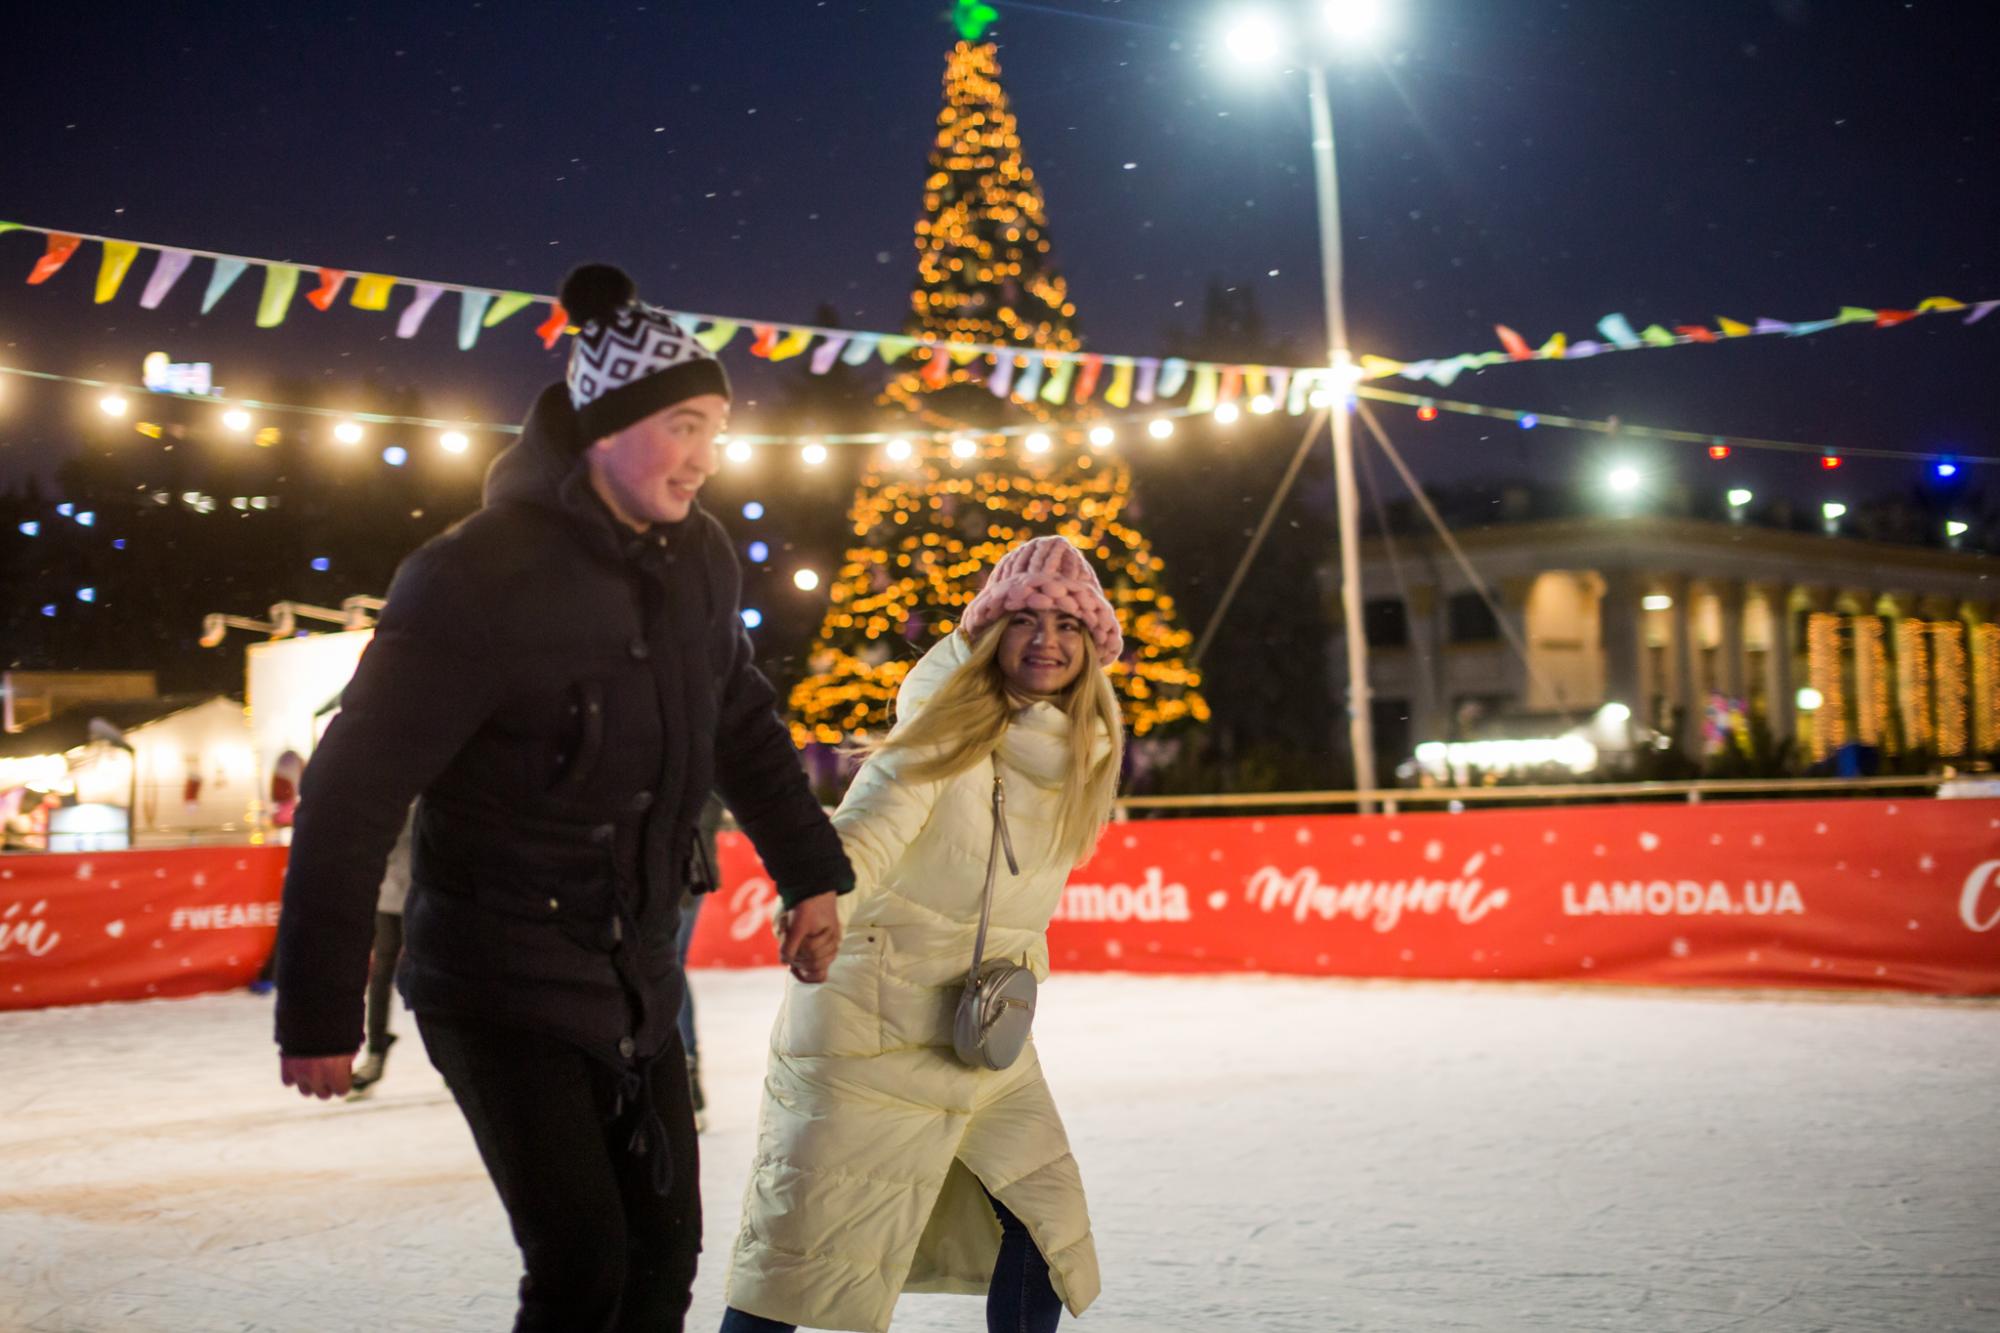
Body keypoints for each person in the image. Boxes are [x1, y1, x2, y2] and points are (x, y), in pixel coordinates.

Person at [272, 262, 852, 1333]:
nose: (705, 456)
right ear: (604, 427)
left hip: (634, 972)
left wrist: (811, 873)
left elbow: (742, 723)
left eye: (716, 429)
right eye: (683, 426)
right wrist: (317, 1005)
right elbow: (350, 793)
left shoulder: (700, 559)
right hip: (497, 979)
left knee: (663, 1258)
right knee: (584, 1266)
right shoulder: (473, 577)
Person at [722, 535, 1127, 1333]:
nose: (1046, 640)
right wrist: (822, 895)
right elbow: (871, 823)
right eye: (1025, 619)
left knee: (1047, 1228)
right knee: (797, 1260)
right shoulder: (945, 731)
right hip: (871, 1028)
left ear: (1093, 646)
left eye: (1068, 625)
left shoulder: (1080, 753)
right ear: (990, 632)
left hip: (980, 1030)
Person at [346, 805, 414, 1098]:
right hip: (389, 896)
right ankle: (376, 1053)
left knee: (427, 975)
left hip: (423, 894)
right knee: (380, 976)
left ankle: (452, 1052)